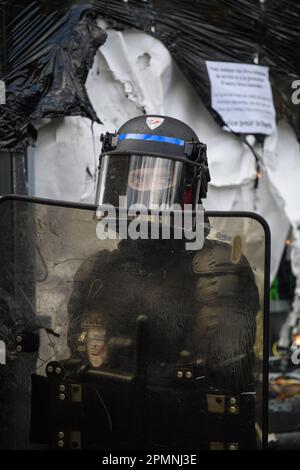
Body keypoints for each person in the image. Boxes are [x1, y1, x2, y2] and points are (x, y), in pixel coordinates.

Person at [63, 115, 260, 449]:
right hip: (107, 434)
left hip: (185, 441)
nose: (143, 193)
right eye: (135, 176)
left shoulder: (217, 267)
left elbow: (222, 378)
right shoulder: (98, 269)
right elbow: (79, 361)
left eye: (158, 177)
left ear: (187, 187)